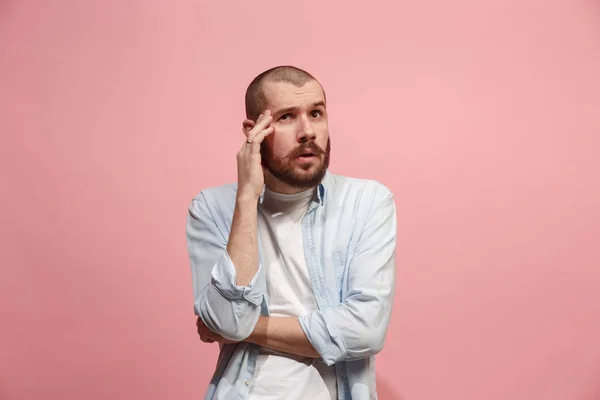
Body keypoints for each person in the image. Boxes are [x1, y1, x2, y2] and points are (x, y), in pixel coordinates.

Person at [186, 65, 397, 400]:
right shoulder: (212, 207)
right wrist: (246, 198)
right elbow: (227, 317)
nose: (307, 131)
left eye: (316, 113)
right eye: (286, 117)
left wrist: (245, 329)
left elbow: (366, 330)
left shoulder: (367, 202)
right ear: (253, 129)